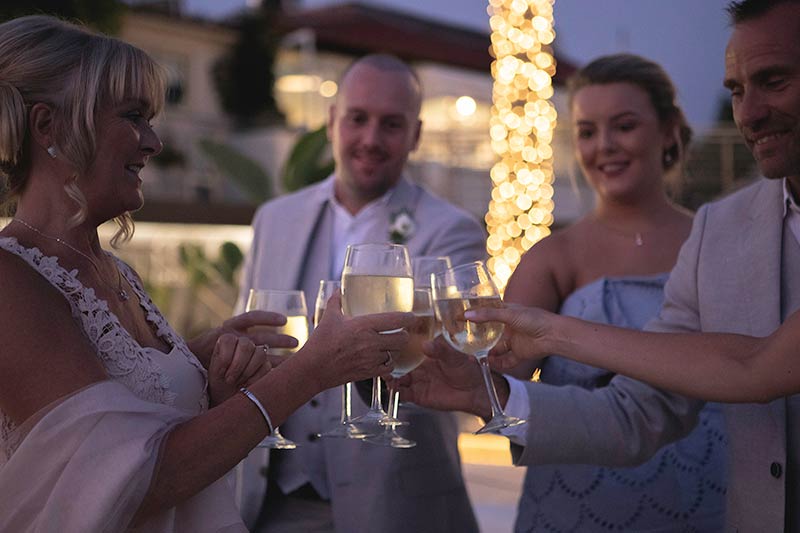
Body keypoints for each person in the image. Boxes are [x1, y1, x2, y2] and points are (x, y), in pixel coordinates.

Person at [0, 15, 413, 532]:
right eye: (133, 117)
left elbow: (137, 408)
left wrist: (205, 365)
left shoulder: (115, 272)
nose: (152, 142)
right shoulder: (10, 278)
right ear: (49, 127)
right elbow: (135, 478)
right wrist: (312, 369)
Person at [400, 0, 800, 530]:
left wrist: (553, 335)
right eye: (735, 91)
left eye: (774, 80)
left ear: (668, 131)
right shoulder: (718, 233)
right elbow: (635, 411)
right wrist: (487, 394)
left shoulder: (699, 230)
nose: (747, 113)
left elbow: (755, 367)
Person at [235, 54, 486, 533]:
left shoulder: (451, 230)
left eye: (391, 124)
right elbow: (249, 327)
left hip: (396, 507)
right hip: (274, 501)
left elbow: (448, 356)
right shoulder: (274, 218)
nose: (371, 139)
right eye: (358, 119)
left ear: (415, 134)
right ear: (332, 122)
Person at [493, 53, 725, 532]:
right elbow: (497, 388)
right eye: (587, 131)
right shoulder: (553, 258)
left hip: (713, 500)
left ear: (668, 129)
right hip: (579, 508)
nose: (605, 146)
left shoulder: (719, 241)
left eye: (623, 126)